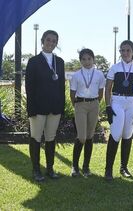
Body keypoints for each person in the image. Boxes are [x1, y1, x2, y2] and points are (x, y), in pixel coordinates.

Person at [25, 30, 65, 182]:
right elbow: (29, 87)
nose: (51, 43)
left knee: (50, 138)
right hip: (38, 108)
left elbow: (61, 86)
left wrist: (61, 107)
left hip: (54, 108)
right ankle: (36, 170)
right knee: (36, 138)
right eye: (48, 40)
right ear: (42, 41)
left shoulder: (59, 62)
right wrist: (31, 109)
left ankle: (50, 168)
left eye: (54, 41)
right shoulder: (33, 61)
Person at [104, 40, 133, 181]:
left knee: (127, 134)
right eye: (123, 50)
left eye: (128, 50)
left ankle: (123, 167)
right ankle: (108, 169)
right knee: (115, 134)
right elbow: (107, 89)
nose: (125, 53)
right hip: (118, 101)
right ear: (119, 52)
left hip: (132, 102)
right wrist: (108, 107)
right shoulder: (114, 67)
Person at [69, 48, 105, 177]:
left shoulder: (99, 74)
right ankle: (74, 166)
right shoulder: (76, 75)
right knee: (82, 136)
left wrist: (95, 103)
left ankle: (86, 167)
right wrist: (78, 105)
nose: (87, 61)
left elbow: (101, 93)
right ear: (80, 61)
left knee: (90, 136)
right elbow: (72, 94)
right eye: (84, 59)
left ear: (93, 59)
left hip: (94, 104)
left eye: (89, 58)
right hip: (80, 105)